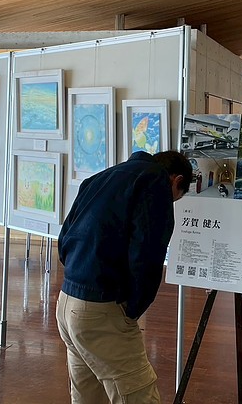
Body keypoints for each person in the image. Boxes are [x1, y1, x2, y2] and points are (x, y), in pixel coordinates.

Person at [56, 150, 193, 404]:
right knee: (138, 393)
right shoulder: (155, 182)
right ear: (176, 180)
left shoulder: (101, 178)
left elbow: (64, 239)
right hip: (101, 310)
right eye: (176, 198)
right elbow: (147, 252)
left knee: (87, 396)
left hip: (67, 302)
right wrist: (133, 308)